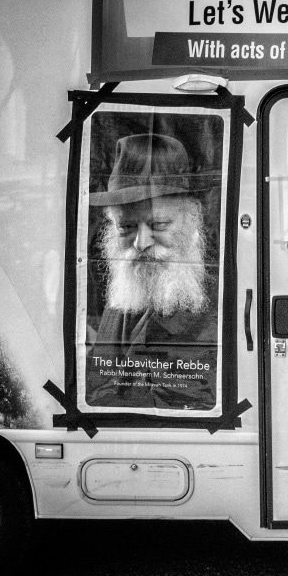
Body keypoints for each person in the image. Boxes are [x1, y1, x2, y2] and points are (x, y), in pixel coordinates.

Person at [86, 133, 218, 410]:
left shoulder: (217, 305)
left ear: (190, 223)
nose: (140, 243)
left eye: (158, 225)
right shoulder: (123, 297)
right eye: (126, 227)